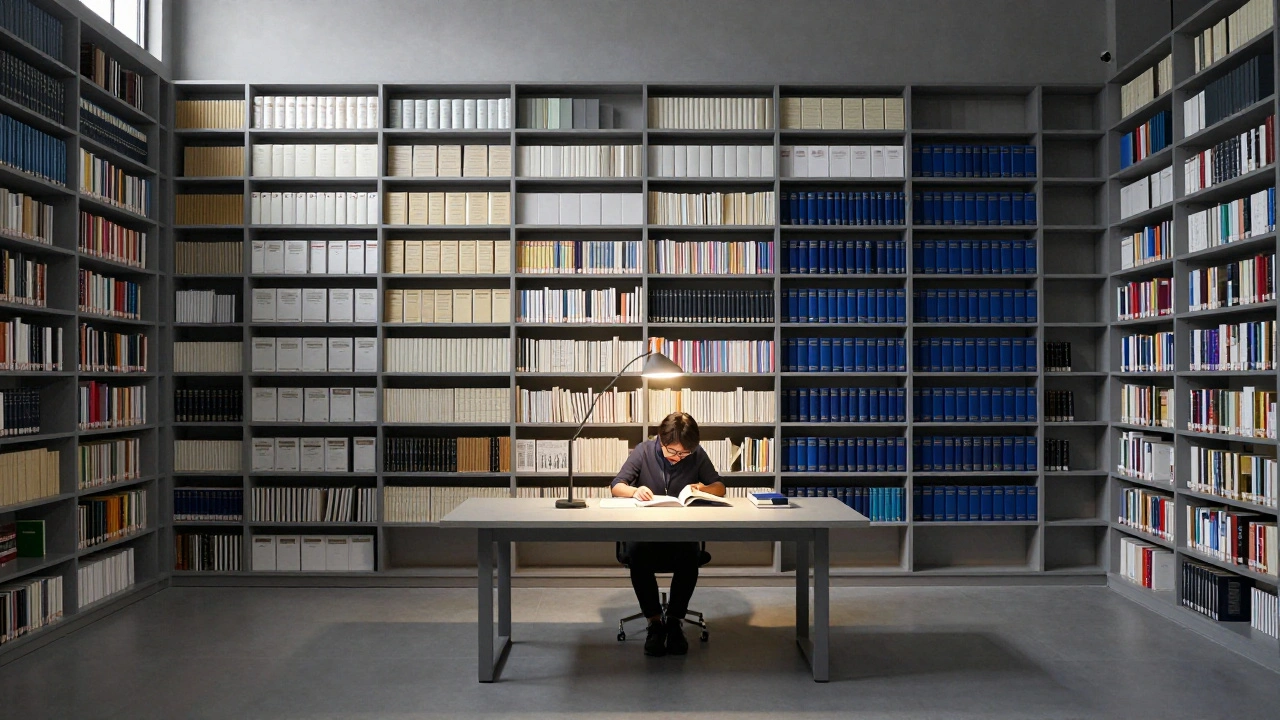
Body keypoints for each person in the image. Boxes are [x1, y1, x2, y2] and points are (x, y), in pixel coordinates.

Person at [610, 412, 726, 656]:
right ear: (660, 441)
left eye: (683, 454)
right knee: (638, 554)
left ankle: (674, 621)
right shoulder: (643, 451)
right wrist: (634, 491)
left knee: (689, 554)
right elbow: (617, 485)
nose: (677, 458)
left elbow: (719, 487)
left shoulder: (696, 454)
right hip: (645, 536)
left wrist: (702, 487)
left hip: (681, 536)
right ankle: (654, 623)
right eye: (672, 452)